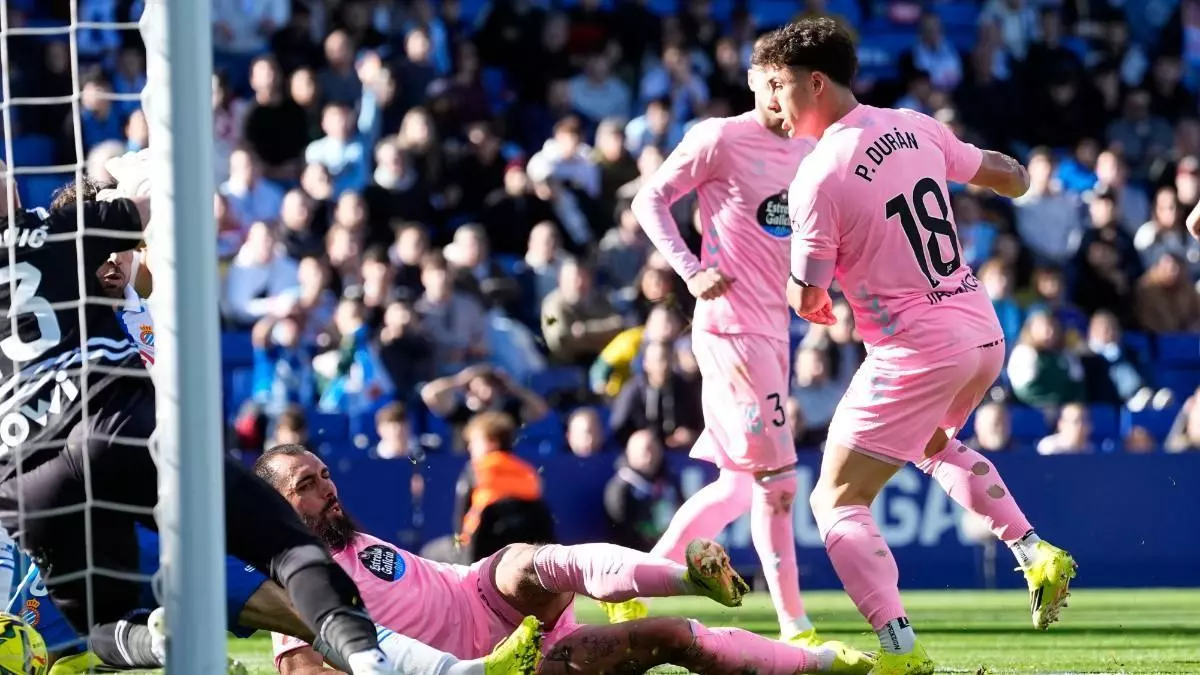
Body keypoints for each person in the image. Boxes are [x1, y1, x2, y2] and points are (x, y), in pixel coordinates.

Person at [754, 18, 1076, 675]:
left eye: (779, 87)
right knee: (929, 443)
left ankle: (901, 651)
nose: (773, 104)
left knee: (836, 500)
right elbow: (1004, 172)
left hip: (918, 348)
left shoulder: (819, 176)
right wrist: (1015, 181)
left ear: (816, 82)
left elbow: (808, 295)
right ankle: (1034, 547)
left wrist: (812, 297)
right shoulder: (913, 124)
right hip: (981, 330)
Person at [0, 156, 397, 675]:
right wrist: (142, 168)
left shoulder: (135, 298)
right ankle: (378, 658)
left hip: (29, 473)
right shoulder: (58, 234)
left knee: (102, 625)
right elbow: (144, 203)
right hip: (119, 433)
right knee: (282, 551)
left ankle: (161, 642)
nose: (118, 264)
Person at [256, 444, 876, 675]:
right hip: (492, 667)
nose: (328, 487)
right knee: (673, 638)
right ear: (276, 506)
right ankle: (819, 663)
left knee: (533, 561)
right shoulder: (289, 594)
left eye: (325, 473)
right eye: (307, 485)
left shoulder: (346, 538)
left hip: (478, 590)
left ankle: (686, 575)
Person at [610, 36, 821, 644]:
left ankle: (627, 583)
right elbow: (649, 198)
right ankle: (795, 626)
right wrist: (689, 267)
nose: (786, 99)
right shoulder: (718, 138)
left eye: (797, 84)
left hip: (773, 330)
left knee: (735, 485)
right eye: (776, 84)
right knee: (778, 482)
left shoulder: (808, 149)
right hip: (729, 330)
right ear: (756, 82)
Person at [1, 525, 542, 675]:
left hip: (114, 533)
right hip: (57, 618)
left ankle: (458, 674)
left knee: (295, 607)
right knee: (81, 650)